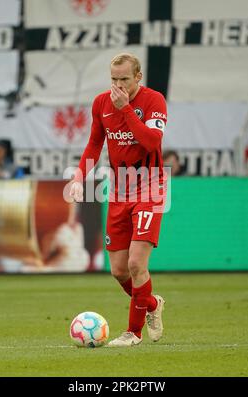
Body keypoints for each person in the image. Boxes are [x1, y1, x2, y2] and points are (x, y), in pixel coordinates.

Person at [69, 53, 167, 347]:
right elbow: (94, 144)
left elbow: (152, 141)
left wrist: (125, 110)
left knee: (137, 263)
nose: (118, 85)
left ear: (138, 77)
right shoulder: (101, 103)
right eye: (114, 79)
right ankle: (151, 304)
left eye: (124, 79)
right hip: (119, 191)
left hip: (150, 187)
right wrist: (78, 177)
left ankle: (132, 333)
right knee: (119, 270)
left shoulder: (153, 101)